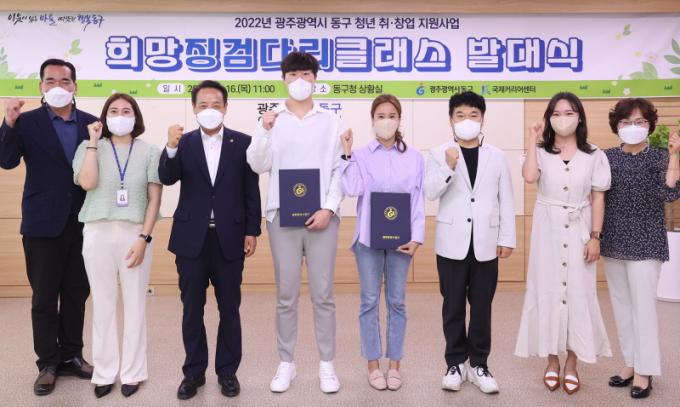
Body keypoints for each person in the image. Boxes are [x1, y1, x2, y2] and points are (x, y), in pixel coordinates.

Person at [246, 51, 348, 394]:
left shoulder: (331, 120)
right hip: (282, 217)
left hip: (323, 218)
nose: (300, 80)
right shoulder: (270, 119)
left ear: (315, 78)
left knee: (323, 294)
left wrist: (329, 208)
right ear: (283, 79)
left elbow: (339, 169)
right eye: (293, 75)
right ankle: (286, 363)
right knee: (286, 295)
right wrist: (264, 131)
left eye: (306, 74)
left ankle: (327, 364)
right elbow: (257, 164)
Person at [158, 80, 261, 400]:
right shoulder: (183, 142)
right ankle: (193, 372)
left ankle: (227, 372)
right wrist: (170, 146)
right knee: (192, 309)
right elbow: (167, 177)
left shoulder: (243, 143)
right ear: (194, 109)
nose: (210, 110)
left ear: (226, 108)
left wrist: (252, 230)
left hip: (230, 237)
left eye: (216, 104)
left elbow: (251, 190)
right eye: (203, 105)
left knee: (230, 308)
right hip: (191, 239)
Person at [0, 58, 96, 396]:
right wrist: (8, 123)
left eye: (65, 81)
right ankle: (48, 363)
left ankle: (72, 355)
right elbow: (6, 161)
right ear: (41, 86)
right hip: (42, 223)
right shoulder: (26, 122)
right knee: (44, 297)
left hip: (84, 222)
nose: (58, 86)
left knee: (76, 293)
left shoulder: (92, 123)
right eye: (50, 80)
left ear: (75, 86)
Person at [515, 92, 612, 395]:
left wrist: (595, 237)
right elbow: (529, 177)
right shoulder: (540, 151)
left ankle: (572, 363)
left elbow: (598, 197)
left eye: (569, 113)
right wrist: (532, 138)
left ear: (579, 117)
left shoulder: (594, 154)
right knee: (547, 292)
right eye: (556, 114)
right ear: (548, 118)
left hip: (580, 229)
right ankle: (552, 360)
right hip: (547, 231)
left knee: (578, 294)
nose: (562, 119)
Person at [424, 91, 515, 394]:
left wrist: (507, 237)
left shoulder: (497, 156)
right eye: (460, 115)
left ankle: (479, 364)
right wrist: (448, 167)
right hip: (451, 243)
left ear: (482, 119)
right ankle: (454, 362)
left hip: (486, 242)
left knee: (481, 307)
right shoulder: (439, 153)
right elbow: (430, 192)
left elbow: (506, 199)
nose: (467, 121)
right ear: (451, 120)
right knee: (452, 306)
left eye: (473, 115)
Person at [73, 93, 162, 398]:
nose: (120, 115)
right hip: (97, 231)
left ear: (136, 117)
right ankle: (104, 372)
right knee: (102, 303)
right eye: (113, 110)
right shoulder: (88, 147)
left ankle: (133, 372)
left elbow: (154, 199)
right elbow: (87, 183)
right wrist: (93, 141)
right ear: (104, 116)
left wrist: (144, 238)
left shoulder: (150, 151)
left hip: (135, 233)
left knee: (135, 303)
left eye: (126, 110)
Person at [340, 94, 425, 391]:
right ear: (372, 120)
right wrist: (346, 154)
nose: (386, 121)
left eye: (391, 116)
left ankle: (395, 365)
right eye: (380, 116)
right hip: (368, 240)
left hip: (402, 241)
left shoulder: (414, 157)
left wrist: (417, 237)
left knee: (397, 302)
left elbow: (417, 200)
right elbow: (352, 189)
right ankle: (373, 364)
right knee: (369, 301)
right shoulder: (361, 155)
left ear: (399, 119)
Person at [601, 98, 680, 399]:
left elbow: (669, 193)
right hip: (613, 240)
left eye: (640, 122)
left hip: (647, 242)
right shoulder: (606, 157)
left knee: (643, 309)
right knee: (622, 308)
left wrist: (674, 155)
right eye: (626, 122)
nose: (632, 127)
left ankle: (645, 371)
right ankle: (631, 364)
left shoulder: (659, 157)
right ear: (616, 125)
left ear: (649, 125)